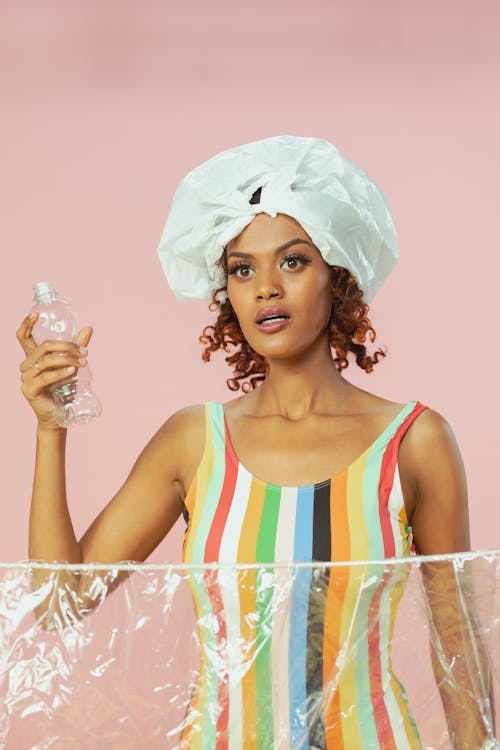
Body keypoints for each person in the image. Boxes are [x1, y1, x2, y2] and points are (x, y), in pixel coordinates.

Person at [17, 136, 495, 748]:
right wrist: (51, 429)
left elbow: (458, 646)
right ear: (229, 295)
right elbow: (61, 605)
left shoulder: (413, 441)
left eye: (292, 261)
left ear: (338, 277)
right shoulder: (194, 442)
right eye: (242, 269)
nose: (266, 286)